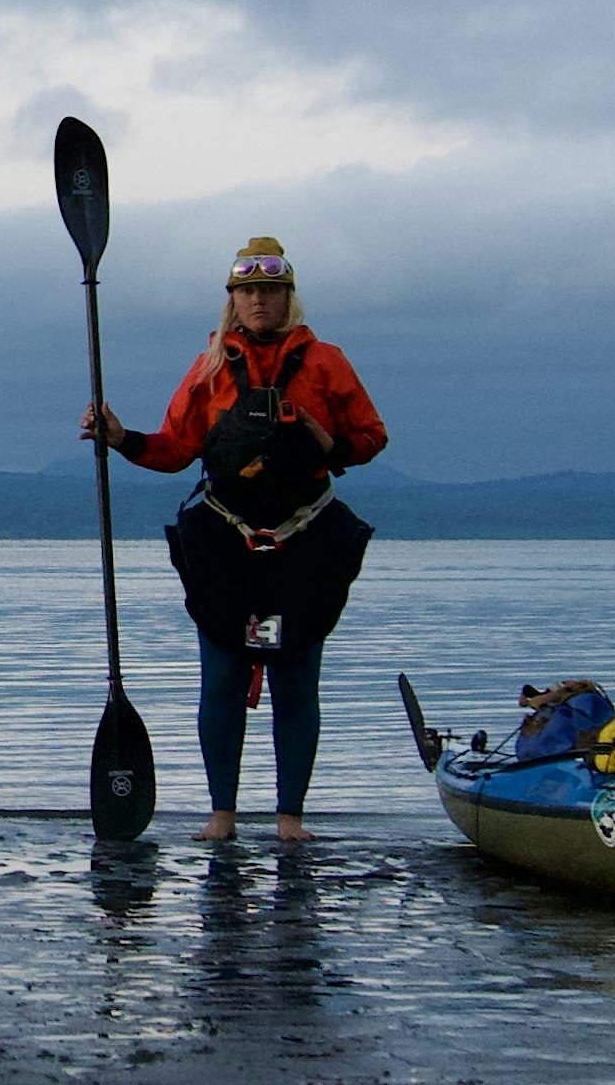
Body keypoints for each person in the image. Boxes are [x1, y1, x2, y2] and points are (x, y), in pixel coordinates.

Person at [84, 233, 389, 839]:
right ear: (233, 299)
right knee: (222, 679)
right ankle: (221, 814)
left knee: (296, 681)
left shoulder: (327, 362)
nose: (259, 302)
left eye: (270, 291)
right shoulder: (210, 367)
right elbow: (175, 451)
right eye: (248, 291)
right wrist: (119, 437)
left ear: (288, 298)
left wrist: (330, 444)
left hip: (305, 540)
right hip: (228, 541)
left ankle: (289, 818)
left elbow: (372, 436)